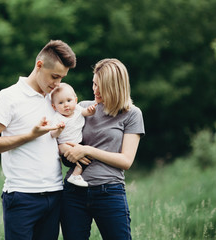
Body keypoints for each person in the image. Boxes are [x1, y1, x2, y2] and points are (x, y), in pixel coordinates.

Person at [0, 40, 76, 240]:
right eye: (54, 76)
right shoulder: (9, 97)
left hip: (55, 194)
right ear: (39, 65)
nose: (57, 84)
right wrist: (30, 136)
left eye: (62, 78)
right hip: (22, 196)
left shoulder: (56, 99)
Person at [60, 58, 145, 240]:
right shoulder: (82, 108)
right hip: (74, 193)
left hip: (109, 192)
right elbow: (62, 139)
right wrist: (67, 150)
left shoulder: (132, 114)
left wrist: (88, 150)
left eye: (101, 86)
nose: (95, 90)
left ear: (115, 86)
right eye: (94, 84)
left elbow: (126, 161)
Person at [50, 83, 97, 187]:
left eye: (69, 101)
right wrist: (59, 130)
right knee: (82, 160)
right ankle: (75, 175)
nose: (66, 105)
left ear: (75, 100)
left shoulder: (78, 109)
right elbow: (53, 135)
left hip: (79, 143)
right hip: (66, 150)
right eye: (61, 103)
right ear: (54, 106)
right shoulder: (57, 118)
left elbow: (86, 113)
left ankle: (76, 175)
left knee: (89, 157)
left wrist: (90, 111)